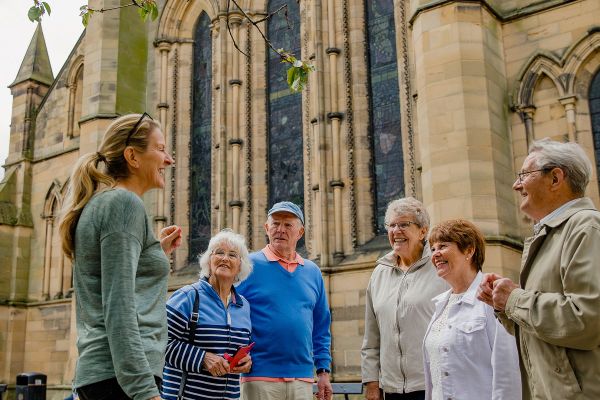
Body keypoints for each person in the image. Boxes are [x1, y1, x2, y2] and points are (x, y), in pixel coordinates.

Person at [58, 113, 182, 400]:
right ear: (132, 156)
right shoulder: (123, 204)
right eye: (161, 149)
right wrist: (144, 391)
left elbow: (116, 283)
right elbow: (119, 306)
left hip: (110, 376)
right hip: (122, 379)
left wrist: (155, 254)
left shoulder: (107, 204)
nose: (169, 160)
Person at [477, 138, 600, 399]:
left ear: (555, 178)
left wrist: (514, 299)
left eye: (524, 174)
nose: (516, 184)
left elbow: (586, 320)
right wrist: (504, 306)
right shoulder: (553, 233)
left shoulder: (586, 228)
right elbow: (547, 330)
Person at [236, 201, 333, 400]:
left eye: (288, 225)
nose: (280, 230)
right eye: (275, 223)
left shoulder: (313, 272)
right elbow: (229, 312)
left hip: (302, 379)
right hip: (259, 377)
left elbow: (321, 326)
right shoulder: (248, 265)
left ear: (300, 232)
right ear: (266, 228)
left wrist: (323, 371)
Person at [424, 219, 521, 400]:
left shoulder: (492, 298)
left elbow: (508, 371)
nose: (435, 254)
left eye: (442, 246)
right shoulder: (440, 304)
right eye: (433, 249)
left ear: (469, 250)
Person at [362, 197, 448, 400]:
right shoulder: (379, 273)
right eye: (391, 225)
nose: (396, 231)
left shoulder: (441, 267)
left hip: (432, 385)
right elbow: (371, 335)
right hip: (392, 389)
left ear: (423, 231)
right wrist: (372, 382)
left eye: (403, 224)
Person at [161, 229, 253, 400]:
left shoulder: (243, 306)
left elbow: (239, 348)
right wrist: (202, 358)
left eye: (232, 255)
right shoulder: (188, 297)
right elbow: (159, 342)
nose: (225, 258)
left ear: (240, 266)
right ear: (208, 260)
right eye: (219, 252)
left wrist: (246, 361)